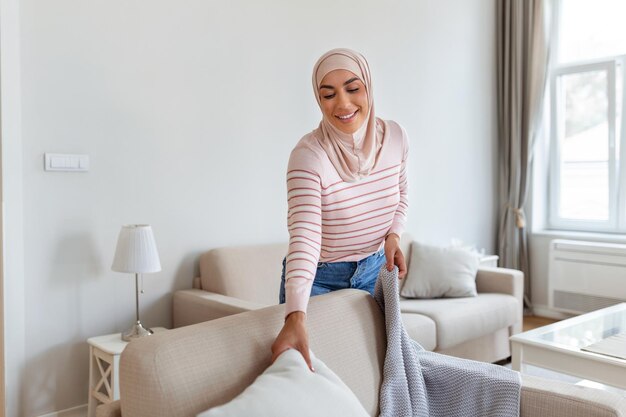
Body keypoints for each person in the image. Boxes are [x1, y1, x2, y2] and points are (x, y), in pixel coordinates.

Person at [271, 48, 409, 371]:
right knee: (315, 381)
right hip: (321, 279)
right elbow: (305, 238)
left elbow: (402, 195)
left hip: (375, 271)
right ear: (319, 101)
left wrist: (393, 236)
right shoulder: (308, 156)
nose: (343, 104)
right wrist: (295, 314)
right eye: (328, 94)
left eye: (352, 88)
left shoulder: (396, 138)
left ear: (369, 88)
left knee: (377, 374)